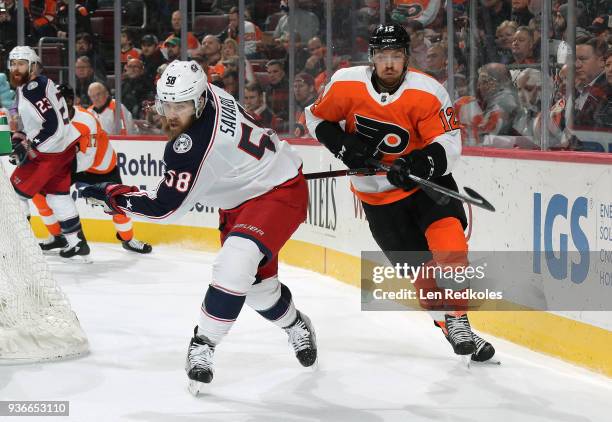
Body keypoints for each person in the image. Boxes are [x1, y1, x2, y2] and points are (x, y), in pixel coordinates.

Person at [81, 60, 317, 392]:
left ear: (200, 100)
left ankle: (202, 344)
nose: (173, 114)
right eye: (168, 104)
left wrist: (113, 196)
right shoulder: (210, 92)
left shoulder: (193, 146)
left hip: (277, 192)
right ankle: (296, 324)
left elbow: (165, 209)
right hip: (244, 194)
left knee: (234, 264)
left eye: (182, 105)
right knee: (256, 290)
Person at [305, 24, 495, 362]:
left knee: (450, 248)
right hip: (377, 199)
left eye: (396, 56)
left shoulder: (428, 91)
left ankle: (459, 318)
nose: (389, 64)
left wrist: (417, 164)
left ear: (407, 57)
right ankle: (449, 324)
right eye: (382, 56)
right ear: (372, 59)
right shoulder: (346, 83)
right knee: (422, 276)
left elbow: (449, 145)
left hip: (425, 188)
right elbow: (315, 119)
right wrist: (346, 148)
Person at [32, 83, 152, 254]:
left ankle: (128, 239)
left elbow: (88, 159)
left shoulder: (86, 120)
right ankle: (57, 237)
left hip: (101, 168)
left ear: (70, 100)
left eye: (60, 100)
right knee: (39, 193)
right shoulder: (50, 120)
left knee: (117, 204)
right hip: (72, 165)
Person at [7, 46, 89, 259]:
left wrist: (30, 146)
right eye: (13, 63)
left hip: (48, 153)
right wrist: (21, 135)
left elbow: (53, 127)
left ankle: (19, 246)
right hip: (62, 150)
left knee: (14, 194)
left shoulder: (34, 89)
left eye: (22, 64)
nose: (16, 68)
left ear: (33, 66)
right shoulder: (36, 84)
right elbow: (39, 121)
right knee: (57, 196)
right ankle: (76, 242)